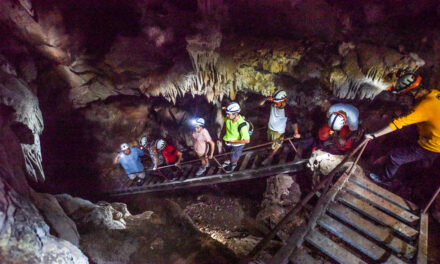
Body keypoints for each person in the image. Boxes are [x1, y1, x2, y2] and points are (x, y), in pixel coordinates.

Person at [365, 73, 439, 186]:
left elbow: (399, 123)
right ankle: (403, 180)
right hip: (432, 137)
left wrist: (374, 135)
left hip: (431, 146)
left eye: (409, 93)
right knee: (414, 162)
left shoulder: (424, 107)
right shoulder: (435, 93)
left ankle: (385, 179)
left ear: (413, 92)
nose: (411, 97)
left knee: (396, 157)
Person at [259, 90, 301, 165]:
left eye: (277, 103)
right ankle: (270, 153)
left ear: (283, 100)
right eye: (274, 102)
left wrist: (296, 132)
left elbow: (294, 121)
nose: (275, 104)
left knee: (276, 146)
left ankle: (270, 157)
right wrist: (266, 99)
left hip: (279, 132)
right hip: (270, 129)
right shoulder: (272, 104)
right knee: (270, 143)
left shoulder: (287, 109)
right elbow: (260, 105)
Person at [220, 102, 250, 173]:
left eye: (228, 114)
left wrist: (233, 141)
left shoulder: (242, 125)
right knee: (226, 152)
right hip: (227, 141)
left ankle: (233, 164)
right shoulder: (228, 119)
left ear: (235, 114)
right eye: (227, 113)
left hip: (237, 145)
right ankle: (227, 161)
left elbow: (247, 140)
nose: (227, 115)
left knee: (234, 156)